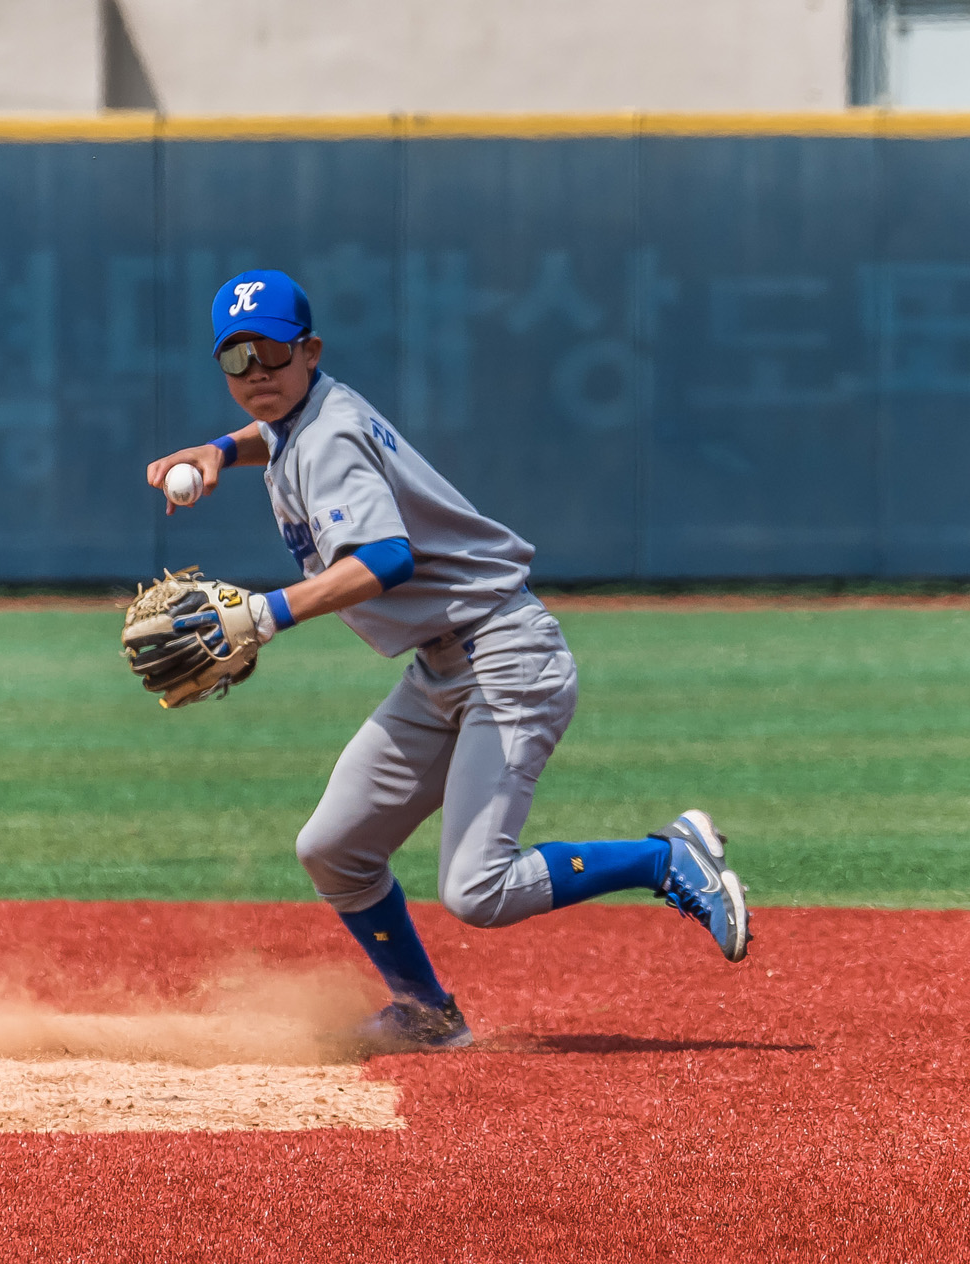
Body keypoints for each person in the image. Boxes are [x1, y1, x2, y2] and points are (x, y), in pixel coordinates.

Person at [144, 270, 748, 1052]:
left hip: (505, 657)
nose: (256, 372)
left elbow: (387, 558)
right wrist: (224, 449)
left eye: (272, 353)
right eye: (236, 360)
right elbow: (278, 430)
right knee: (334, 849)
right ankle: (425, 1011)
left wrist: (268, 613)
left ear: (310, 349)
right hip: (442, 668)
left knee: (478, 890)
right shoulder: (312, 409)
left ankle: (665, 858)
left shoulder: (326, 439)